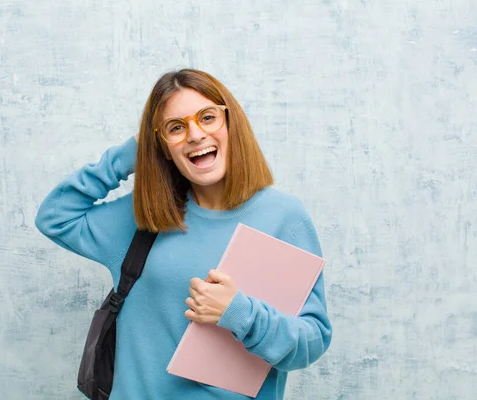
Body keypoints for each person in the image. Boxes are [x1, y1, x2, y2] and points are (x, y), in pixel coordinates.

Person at [35, 68, 332, 399]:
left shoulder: (284, 218)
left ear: (231, 124)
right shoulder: (146, 216)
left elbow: (311, 341)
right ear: (162, 146)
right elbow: (54, 217)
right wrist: (127, 156)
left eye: (207, 118)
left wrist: (241, 314)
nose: (195, 135)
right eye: (175, 128)